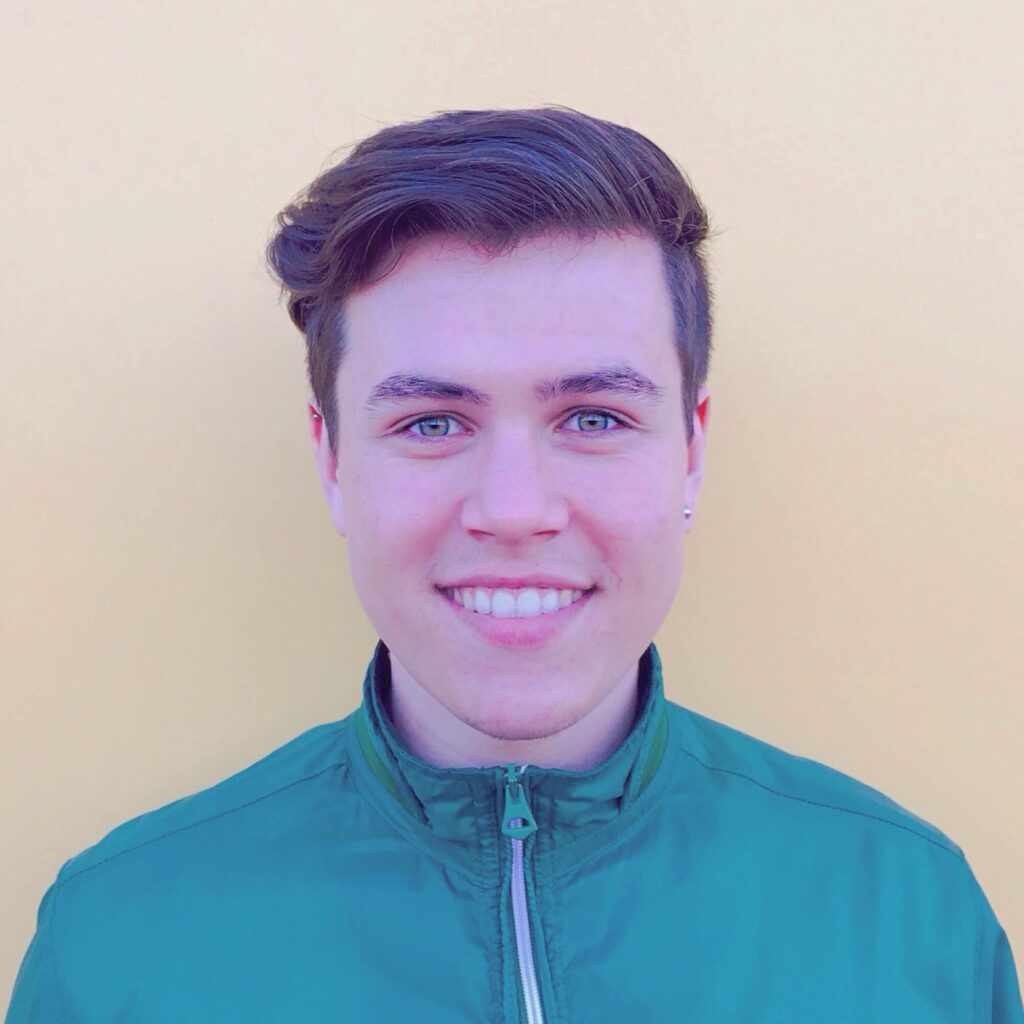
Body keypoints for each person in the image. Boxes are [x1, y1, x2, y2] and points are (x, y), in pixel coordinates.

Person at [7, 106, 1021, 1023]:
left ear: (690, 450)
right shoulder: (117, 941)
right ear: (331, 460)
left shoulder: (911, 915)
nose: (515, 510)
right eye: (431, 421)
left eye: (594, 417)